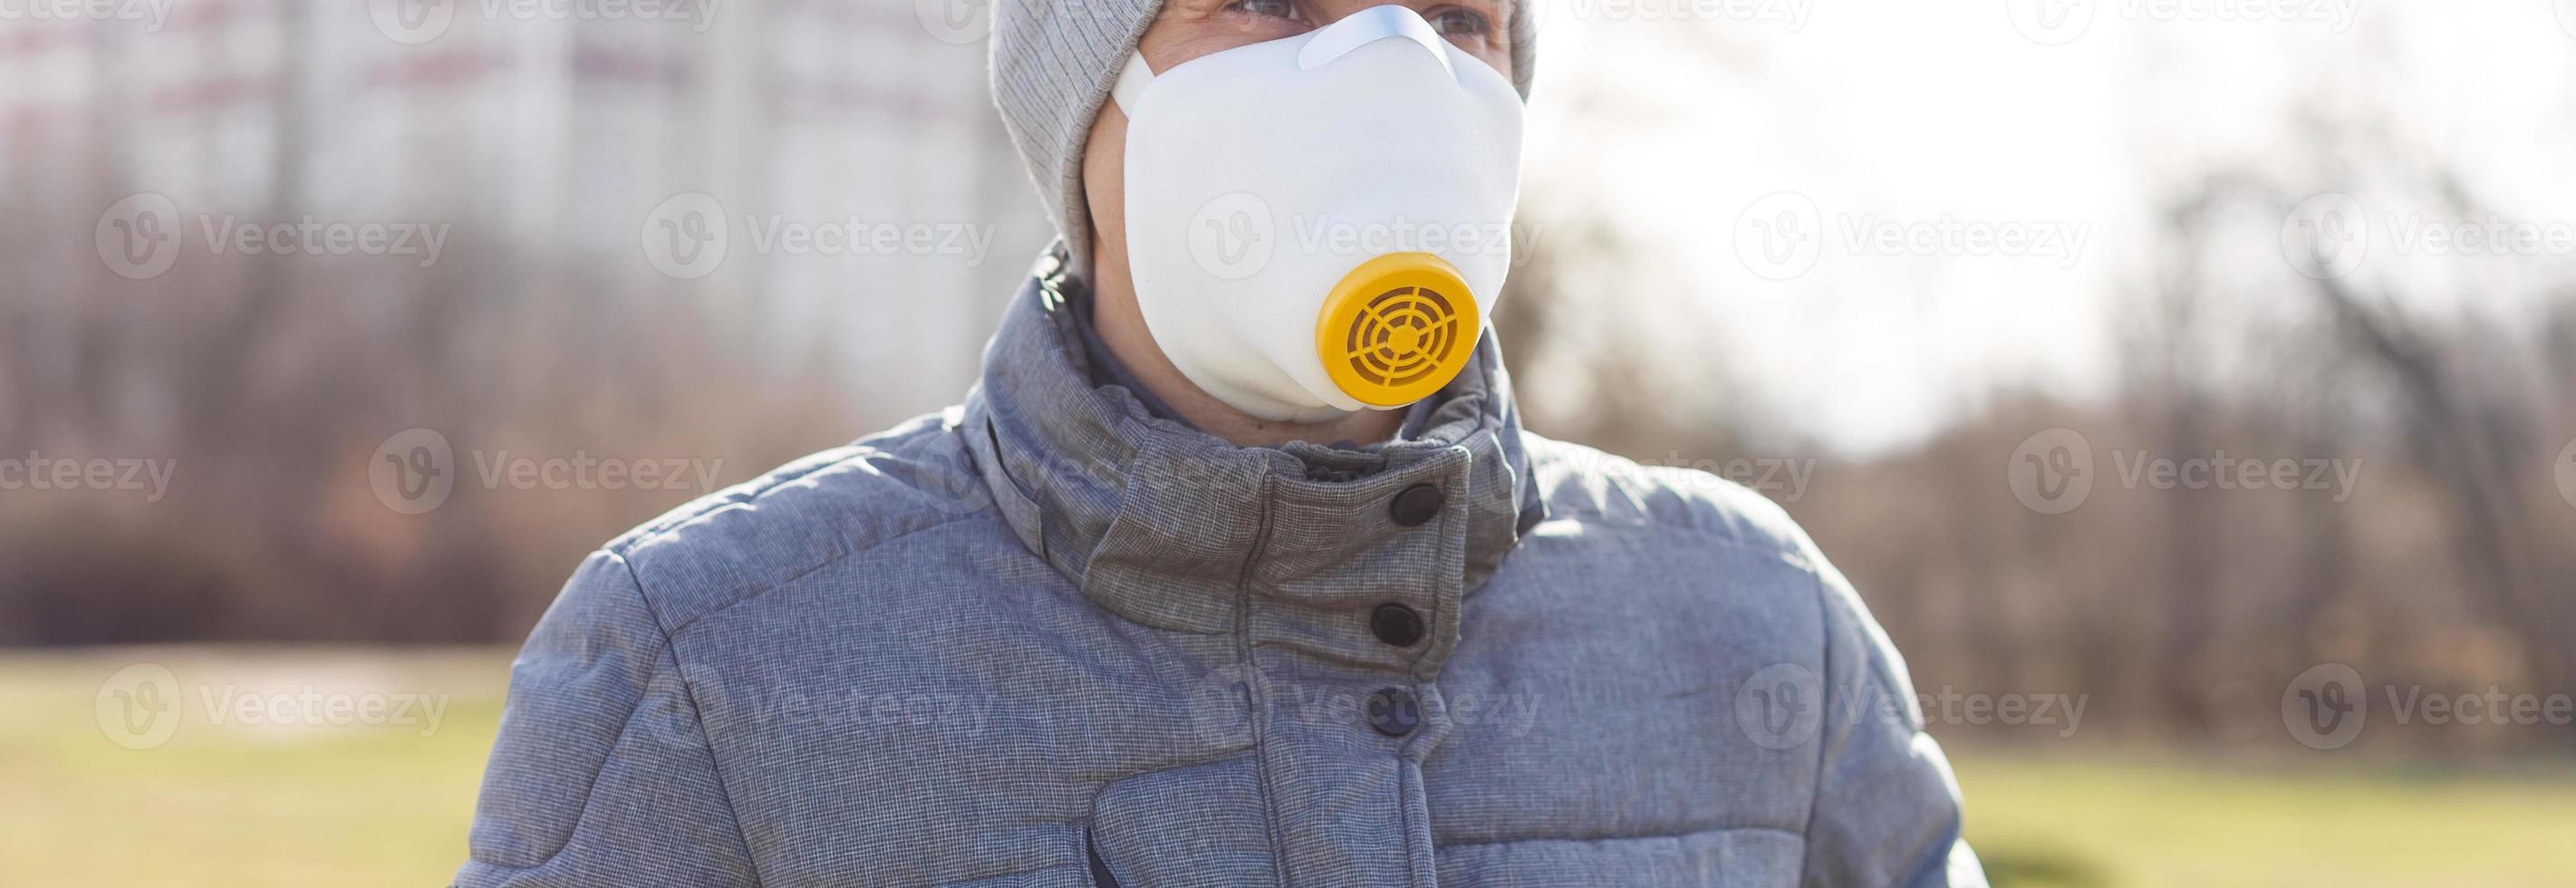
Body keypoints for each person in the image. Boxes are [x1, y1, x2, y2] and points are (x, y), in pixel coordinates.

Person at [456, 1, 1985, 885]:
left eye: (1455, 16)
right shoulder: (710, 675)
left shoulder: (1751, 630)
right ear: (1082, 106)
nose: (1392, 75)